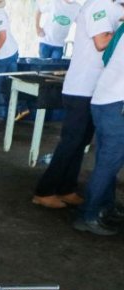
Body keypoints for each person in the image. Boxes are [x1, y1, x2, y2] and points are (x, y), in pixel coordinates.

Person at [32, 0, 123, 209]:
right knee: (71, 141)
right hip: (81, 87)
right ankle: (44, 191)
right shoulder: (97, 7)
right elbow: (101, 41)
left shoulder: (115, 9)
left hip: (96, 90)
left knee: (81, 142)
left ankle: (66, 188)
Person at [73, 23, 124, 235]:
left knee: (106, 160)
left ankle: (105, 207)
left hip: (102, 99)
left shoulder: (121, 29)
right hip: (117, 104)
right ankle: (88, 215)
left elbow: (106, 58)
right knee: (109, 163)